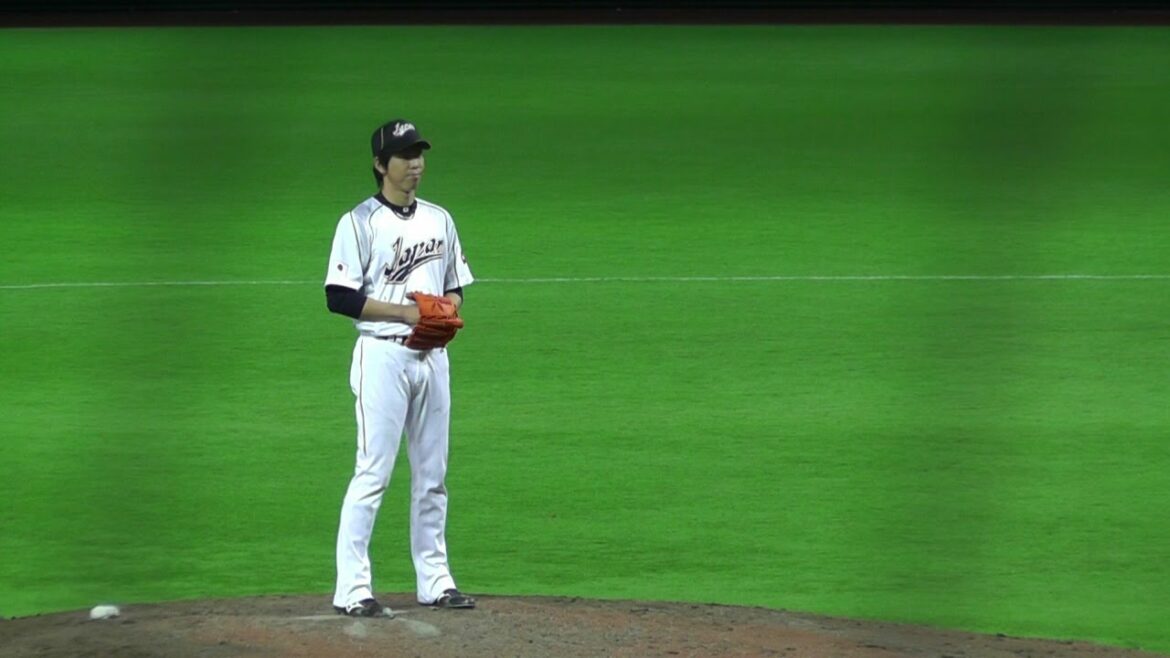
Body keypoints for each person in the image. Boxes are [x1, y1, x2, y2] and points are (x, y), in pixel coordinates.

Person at [323, 119, 476, 616]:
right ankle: (352, 589)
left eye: (419, 154)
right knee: (373, 472)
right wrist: (407, 313)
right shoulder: (358, 222)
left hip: (432, 358)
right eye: (405, 156)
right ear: (379, 164)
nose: (415, 164)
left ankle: (435, 580)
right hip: (382, 357)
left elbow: (454, 283)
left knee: (433, 474)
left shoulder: (439, 219)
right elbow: (339, 296)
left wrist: (445, 310)